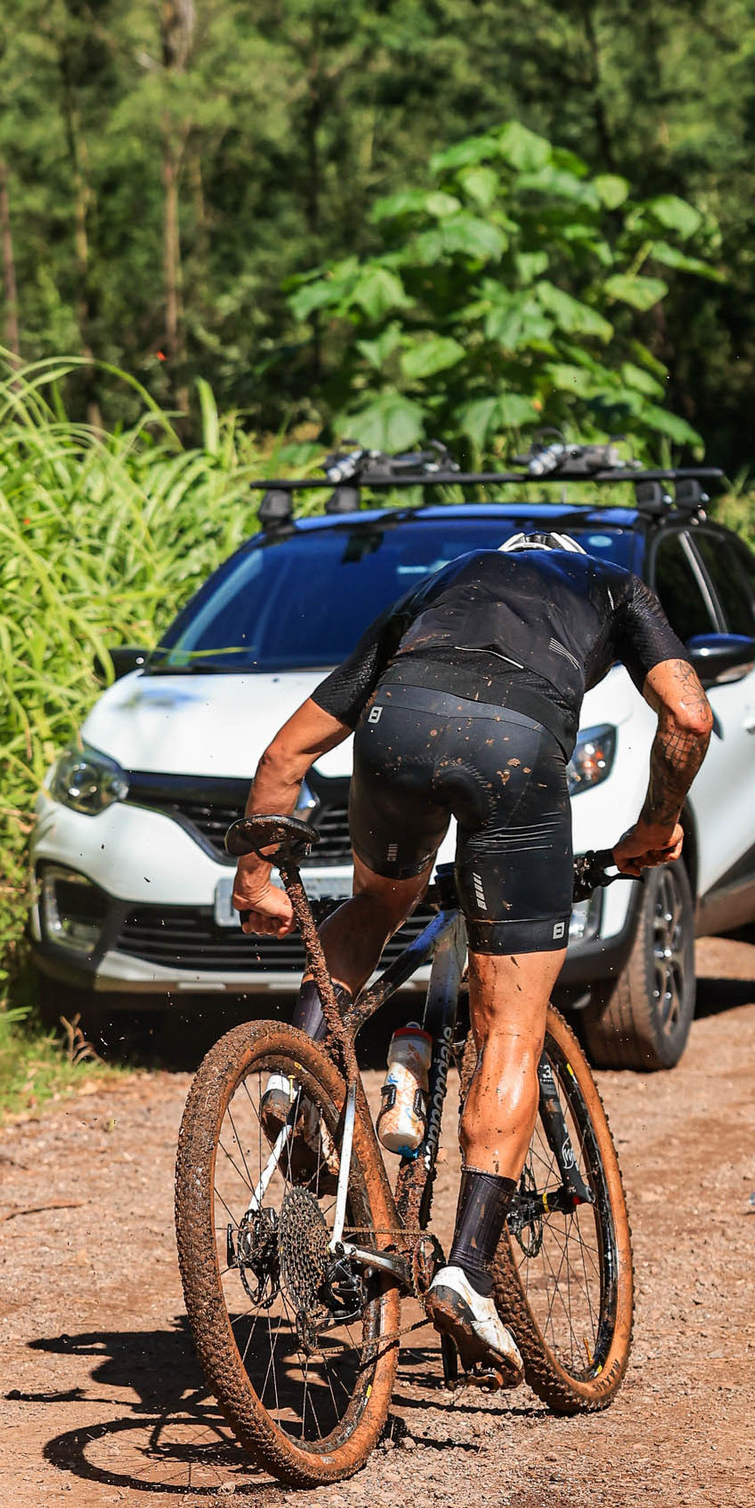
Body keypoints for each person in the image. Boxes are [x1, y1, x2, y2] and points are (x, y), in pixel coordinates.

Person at [231, 530, 713, 1385]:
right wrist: (656, 821)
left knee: (377, 904)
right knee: (510, 1033)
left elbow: (285, 754)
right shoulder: (614, 587)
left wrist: (255, 877)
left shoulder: (438, 590)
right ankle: (468, 1273)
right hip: (515, 753)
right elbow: (689, 716)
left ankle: (297, 1077)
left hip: (396, 730)